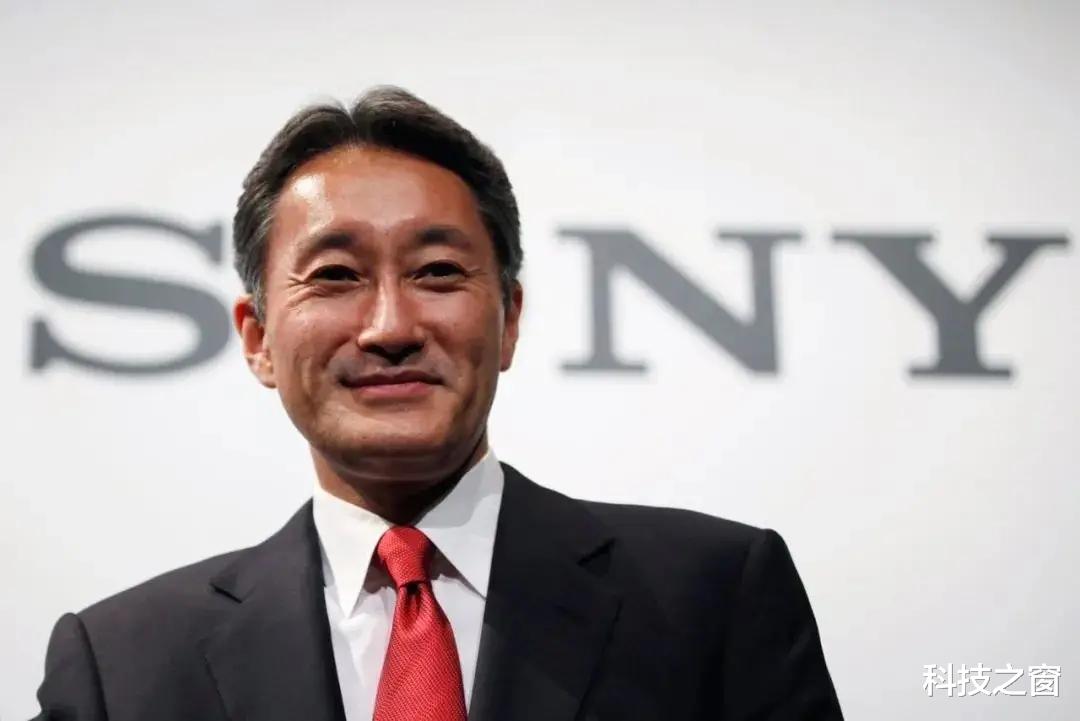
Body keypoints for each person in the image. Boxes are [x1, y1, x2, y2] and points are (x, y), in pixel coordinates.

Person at [33, 86, 844, 721]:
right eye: (336, 275)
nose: (390, 327)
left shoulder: (712, 597)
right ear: (257, 338)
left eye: (438, 273)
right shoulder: (122, 664)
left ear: (510, 318)